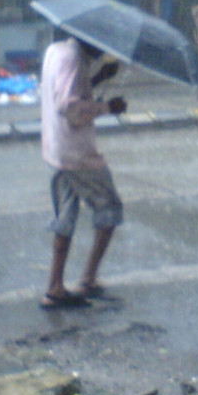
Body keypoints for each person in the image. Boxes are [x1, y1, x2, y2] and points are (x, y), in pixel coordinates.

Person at [39, 32, 128, 309]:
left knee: (66, 216)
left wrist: (100, 77)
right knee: (110, 209)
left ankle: (54, 287)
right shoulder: (74, 59)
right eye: (100, 44)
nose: (102, 49)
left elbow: (65, 90)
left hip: (58, 147)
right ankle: (88, 278)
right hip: (78, 153)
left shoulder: (56, 51)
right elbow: (71, 108)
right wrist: (107, 107)